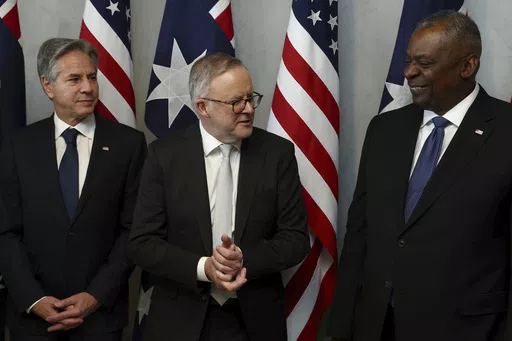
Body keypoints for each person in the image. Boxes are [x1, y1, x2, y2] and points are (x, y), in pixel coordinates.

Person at [328, 10, 512, 341]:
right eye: (409, 60)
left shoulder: (506, 131)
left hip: (469, 329)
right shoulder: (385, 129)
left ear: (467, 66)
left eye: (424, 63)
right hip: (378, 325)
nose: (409, 72)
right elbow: (359, 235)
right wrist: (340, 327)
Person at [128, 52, 310, 341]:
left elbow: (296, 239)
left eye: (251, 98)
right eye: (236, 101)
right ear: (203, 107)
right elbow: (142, 243)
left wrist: (241, 260)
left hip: (254, 320)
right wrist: (204, 268)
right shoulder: (164, 155)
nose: (249, 109)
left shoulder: (277, 154)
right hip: (180, 319)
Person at [0, 38, 147, 341]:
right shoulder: (17, 146)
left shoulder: (128, 145)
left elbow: (133, 231)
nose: (88, 87)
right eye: (75, 79)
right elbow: (5, 232)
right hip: (32, 321)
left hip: (100, 320)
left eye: (92, 77)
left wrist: (95, 296)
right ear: (48, 85)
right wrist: (33, 300)